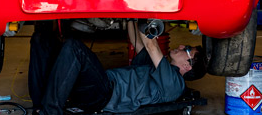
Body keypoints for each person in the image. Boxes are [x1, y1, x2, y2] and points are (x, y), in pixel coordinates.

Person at [28, 20, 207, 115]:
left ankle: (50, 112)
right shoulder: (160, 71)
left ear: (187, 66)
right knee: (40, 41)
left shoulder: (174, 83)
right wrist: (130, 17)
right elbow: (138, 45)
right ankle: (39, 107)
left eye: (188, 49)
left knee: (74, 48)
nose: (182, 45)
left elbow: (152, 46)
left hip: (104, 94)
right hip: (97, 87)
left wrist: (148, 18)